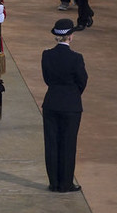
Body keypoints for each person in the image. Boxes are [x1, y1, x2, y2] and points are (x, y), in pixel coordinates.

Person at [42, 19, 88, 193]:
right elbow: (82, 81)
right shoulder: (76, 58)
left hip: (51, 103)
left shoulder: (46, 55)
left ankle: (54, 183)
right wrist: (73, 94)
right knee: (68, 144)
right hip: (71, 106)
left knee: (52, 144)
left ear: (56, 37)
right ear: (71, 36)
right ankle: (66, 183)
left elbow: (47, 79)